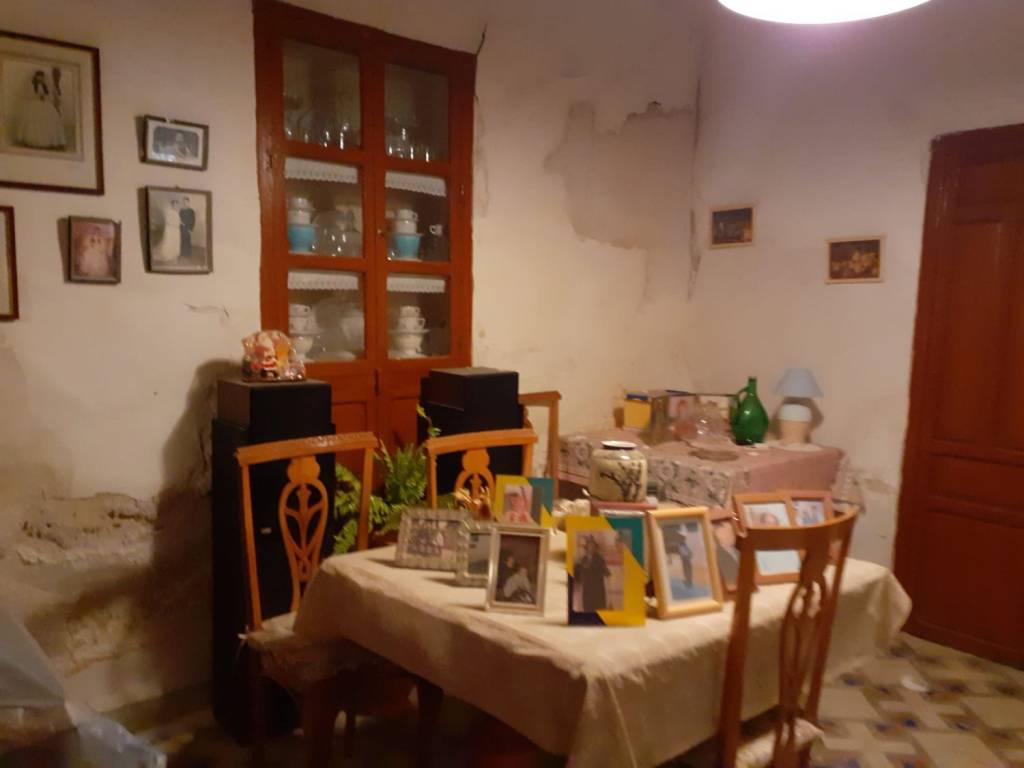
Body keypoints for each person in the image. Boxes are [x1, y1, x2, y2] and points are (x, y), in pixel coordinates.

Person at [16, 70, 65, 150]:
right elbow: (28, 96)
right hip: (34, 105)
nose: (40, 78)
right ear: (35, 77)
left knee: (50, 118)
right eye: (38, 77)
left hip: (45, 105)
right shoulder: (31, 86)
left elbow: (51, 97)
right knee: (33, 121)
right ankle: (32, 140)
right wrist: (37, 97)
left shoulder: (47, 87)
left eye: (42, 77)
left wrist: (45, 98)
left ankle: (48, 141)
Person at [574, 535, 610, 611]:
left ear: (595, 548)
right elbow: (579, 572)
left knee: (599, 607)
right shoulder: (583, 559)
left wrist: (606, 571)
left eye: (593, 546)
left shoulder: (599, 558)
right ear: (587, 548)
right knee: (588, 607)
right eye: (589, 546)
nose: (591, 548)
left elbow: (604, 570)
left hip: (597, 587)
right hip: (587, 588)